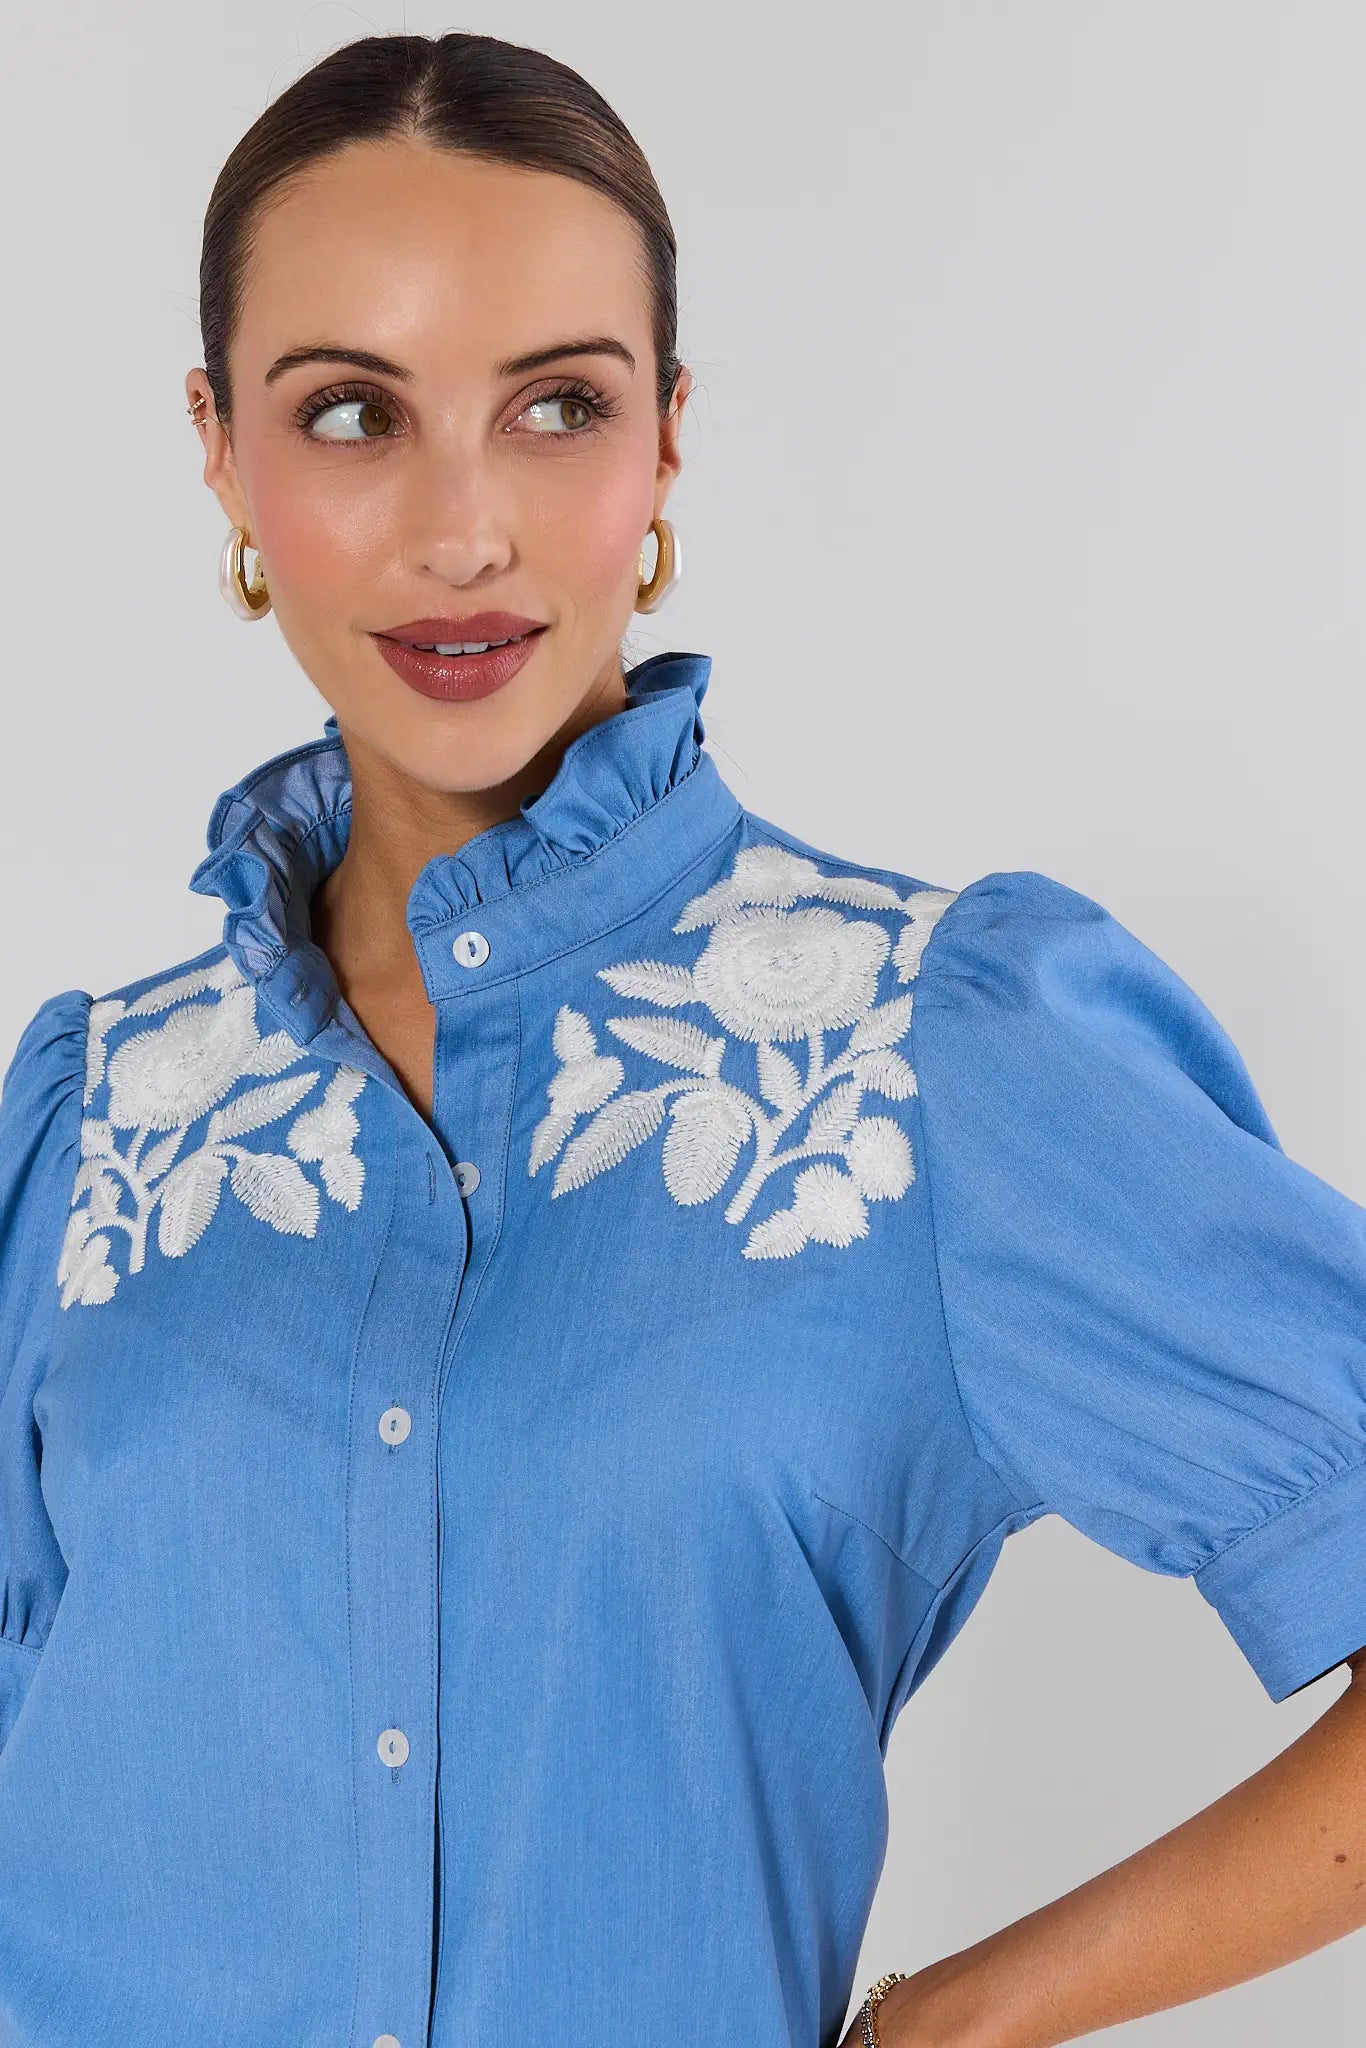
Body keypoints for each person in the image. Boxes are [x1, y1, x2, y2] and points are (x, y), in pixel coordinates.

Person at [1, 28, 1363, 2048]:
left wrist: (943, 2026)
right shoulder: (94, 1113)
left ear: (663, 444)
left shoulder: (934, 1051)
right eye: (353, 412)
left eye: (555, 403)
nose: (462, 531)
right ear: (219, 447)